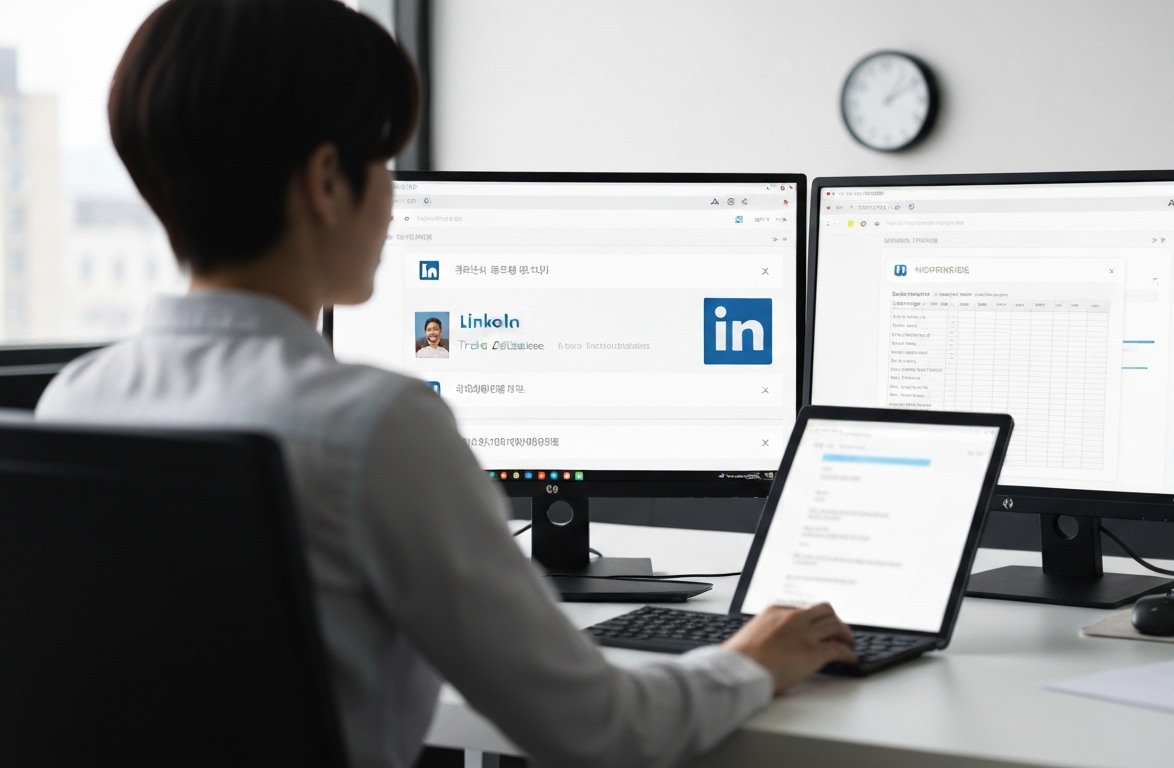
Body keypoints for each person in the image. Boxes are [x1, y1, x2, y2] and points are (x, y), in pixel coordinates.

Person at [33, 2, 857, 768]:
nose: (391, 198)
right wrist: (750, 661)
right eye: (382, 160)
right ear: (326, 182)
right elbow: (596, 730)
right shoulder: (374, 426)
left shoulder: (75, 403)